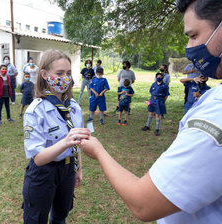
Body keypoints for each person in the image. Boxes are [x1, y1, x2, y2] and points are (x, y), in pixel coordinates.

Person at [79, 0, 222, 223]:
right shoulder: (215, 97)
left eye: (193, 35)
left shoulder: (217, 115)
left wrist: (99, 151)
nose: (189, 46)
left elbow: (143, 203)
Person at [22, 49, 90, 223]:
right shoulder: (36, 111)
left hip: (67, 170)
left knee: (61, 216)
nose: (65, 78)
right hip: (43, 173)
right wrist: (65, 142)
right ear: (44, 74)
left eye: (68, 73)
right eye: (59, 73)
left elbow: (77, 143)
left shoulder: (74, 108)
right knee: (36, 219)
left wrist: (78, 169)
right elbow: (38, 158)